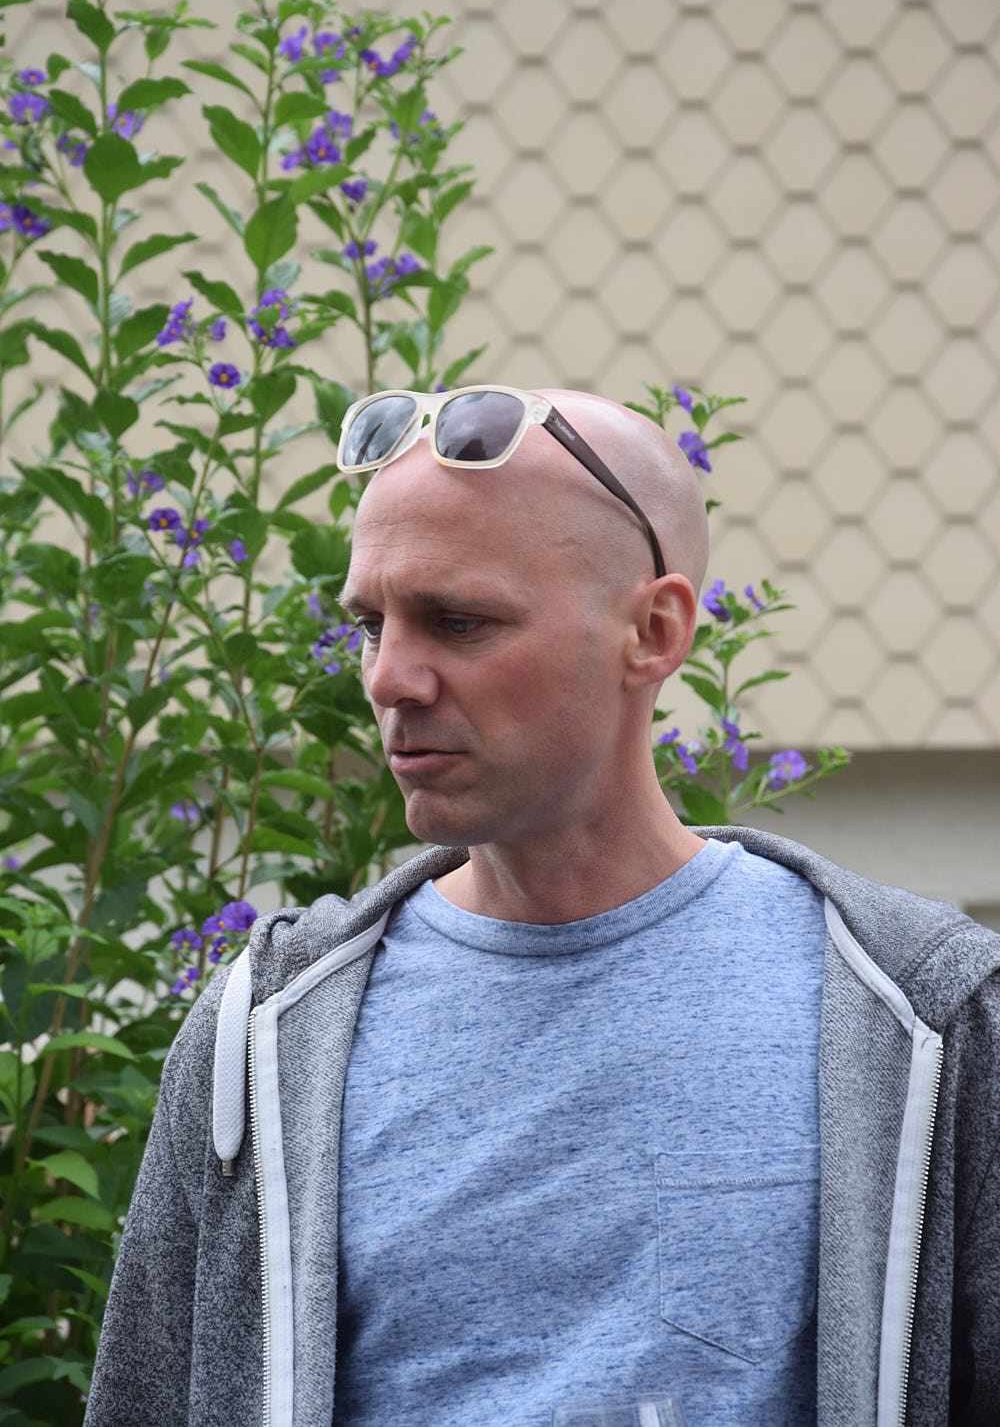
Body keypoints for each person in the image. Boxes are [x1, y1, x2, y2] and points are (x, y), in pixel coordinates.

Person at [84, 387, 1000, 1427]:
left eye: (458, 622)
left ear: (652, 631)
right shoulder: (266, 1037)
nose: (388, 678)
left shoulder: (918, 1016)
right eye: (371, 625)